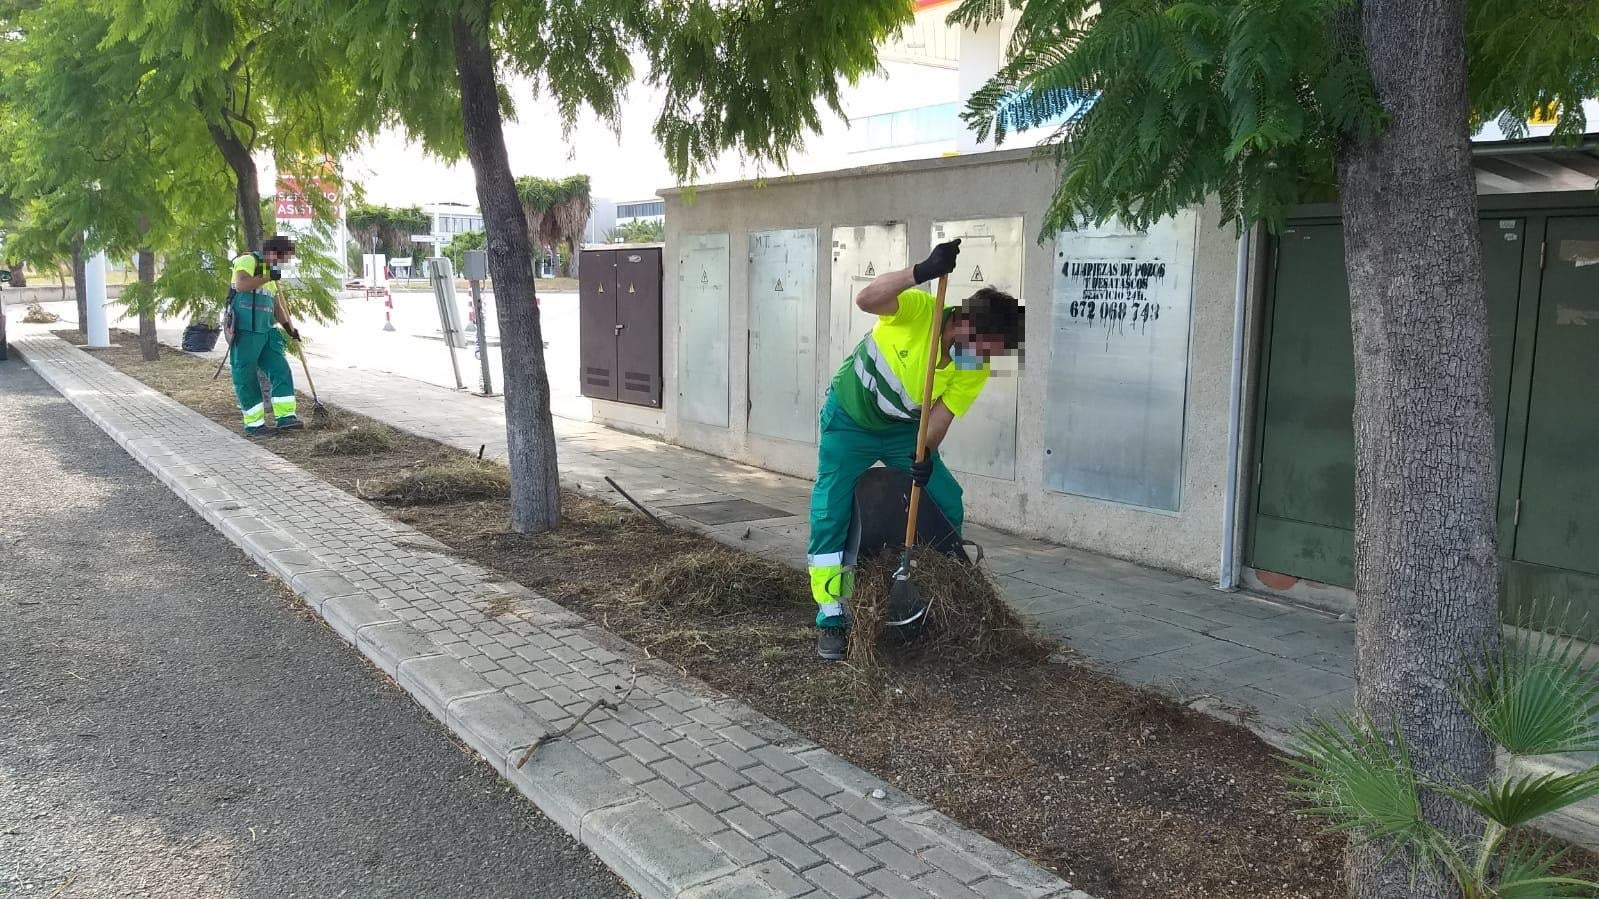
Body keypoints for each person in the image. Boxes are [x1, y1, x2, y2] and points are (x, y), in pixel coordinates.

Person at [808, 239, 1026, 660]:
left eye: (992, 354)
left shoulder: (972, 365)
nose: (982, 359)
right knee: (830, 509)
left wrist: (922, 459)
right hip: (850, 420)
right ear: (962, 323)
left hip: (903, 431)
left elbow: (938, 421)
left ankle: (936, 592)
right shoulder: (920, 311)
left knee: (945, 497)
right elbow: (866, 298)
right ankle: (832, 614)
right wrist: (921, 272)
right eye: (982, 348)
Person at [226, 235, 303, 437]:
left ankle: (286, 417)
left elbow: (275, 305)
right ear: (274, 252)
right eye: (285, 257)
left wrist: (288, 328)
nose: (285, 262)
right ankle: (254, 424)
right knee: (245, 375)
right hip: (246, 330)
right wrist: (269, 276)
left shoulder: (271, 273)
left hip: (267, 331)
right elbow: (242, 284)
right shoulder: (249, 261)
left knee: (280, 370)